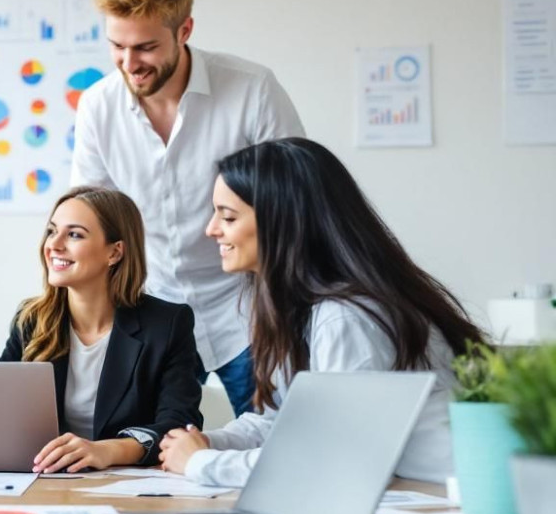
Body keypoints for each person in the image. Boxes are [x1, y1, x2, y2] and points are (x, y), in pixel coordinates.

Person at [158, 138, 479, 486]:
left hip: (450, 497)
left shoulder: (346, 319)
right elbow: (282, 420)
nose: (211, 229)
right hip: (411, 490)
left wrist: (201, 464)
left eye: (228, 216)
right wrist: (210, 443)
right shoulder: (299, 310)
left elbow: (329, 459)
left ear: (281, 222)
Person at [70, 0, 306, 416]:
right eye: (117, 46)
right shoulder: (98, 106)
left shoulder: (252, 89)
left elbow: (298, 206)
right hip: (152, 310)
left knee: (284, 442)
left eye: (146, 48)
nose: (129, 63)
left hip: (251, 312)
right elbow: (89, 214)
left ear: (185, 31)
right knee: (143, 454)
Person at [0, 187, 202, 473]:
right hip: (43, 477)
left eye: (75, 234)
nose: (54, 245)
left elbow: (179, 424)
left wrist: (107, 450)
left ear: (115, 252)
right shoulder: (30, 319)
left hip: (125, 483)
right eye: (51, 231)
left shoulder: (167, 324)